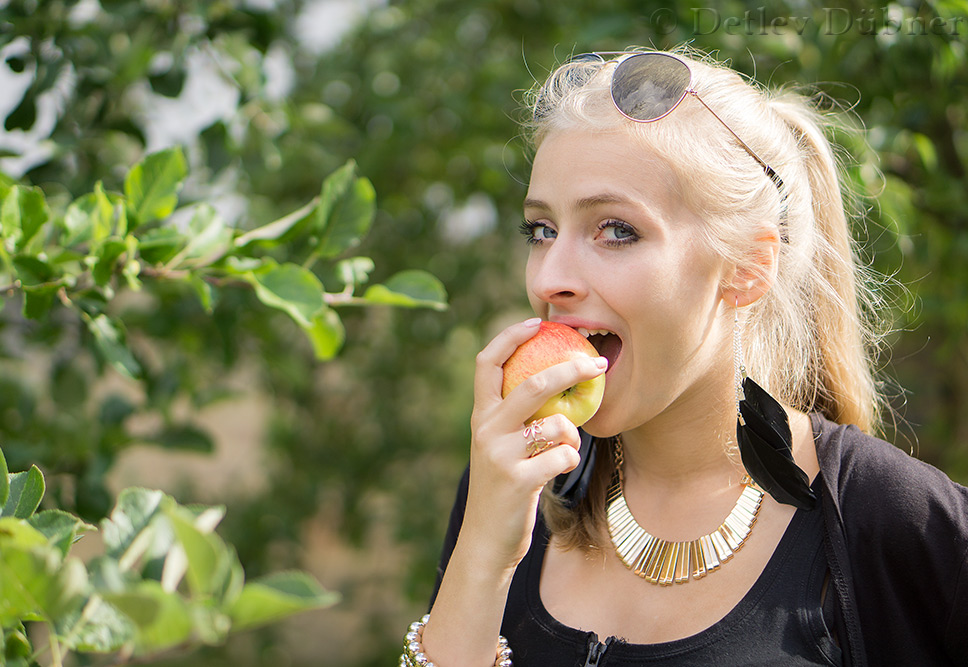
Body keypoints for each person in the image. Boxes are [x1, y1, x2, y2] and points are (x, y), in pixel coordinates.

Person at [400, 46, 968, 666]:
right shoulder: (516, 483)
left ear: (748, 268)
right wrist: (483, 552)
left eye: (616, 230)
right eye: (542, 231)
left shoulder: (895, 523)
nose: (549, 278)